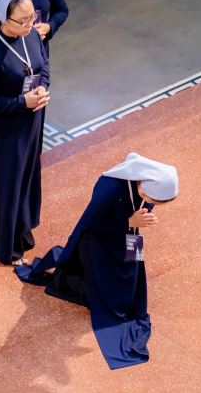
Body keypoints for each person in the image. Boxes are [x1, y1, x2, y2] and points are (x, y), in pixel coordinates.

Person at [17, 152, 179, 369]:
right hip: (100, 242)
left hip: (132, 237)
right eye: (152, 200)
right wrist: (129, 221)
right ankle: (61, 275)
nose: (151, 204)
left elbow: (142, 207)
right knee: (110, 296)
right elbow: (89, 225)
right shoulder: (109, 187)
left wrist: (137, 220)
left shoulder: (148, 186)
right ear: (144, 184)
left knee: (134, 282)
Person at [0, 0, 48, 264]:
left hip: (31, 121)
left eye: (32, 17)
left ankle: (22, 229)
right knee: (8, 187)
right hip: (3, 133)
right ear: (4, 19)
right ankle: (7, 247)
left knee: (27, 179)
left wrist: (43, 89)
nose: (29, 24)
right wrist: (21, 102)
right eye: (22, 20)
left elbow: (43, 66)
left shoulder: (31, 36)